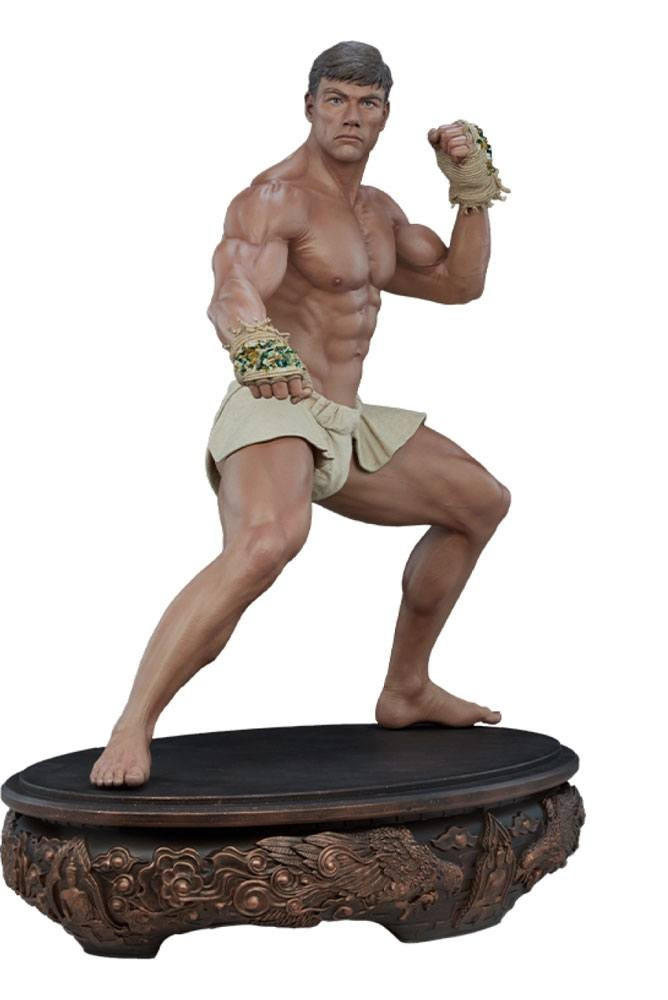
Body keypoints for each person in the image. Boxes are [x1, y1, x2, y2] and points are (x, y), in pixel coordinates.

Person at [90, 40, 511, 787]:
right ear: (310, 106)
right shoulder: (274, 198)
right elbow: (232, 287)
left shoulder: (378, 213)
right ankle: (132, 725)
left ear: (385, 116)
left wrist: (471, 193)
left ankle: (406, 689)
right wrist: (255, 343)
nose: (351, 115)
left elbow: (459, 283)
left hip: (344, 419)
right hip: (274, 405)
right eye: (337, 99)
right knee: (266, 543)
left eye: (367, 103)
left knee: (480, 503)